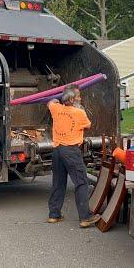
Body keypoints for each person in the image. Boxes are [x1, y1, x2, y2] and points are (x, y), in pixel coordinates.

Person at [46, 84, 101, 228]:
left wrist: (57, 100)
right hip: (71, 151)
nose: (80, 98)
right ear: (71, 99)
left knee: (58, 182)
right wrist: (79, 110)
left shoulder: (56, 109)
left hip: (57, 151)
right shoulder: (80, 113)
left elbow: (50, 102)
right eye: (78, 96)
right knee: (81, 182)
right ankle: (85, 217)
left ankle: (54, 215)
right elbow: (88, 126)